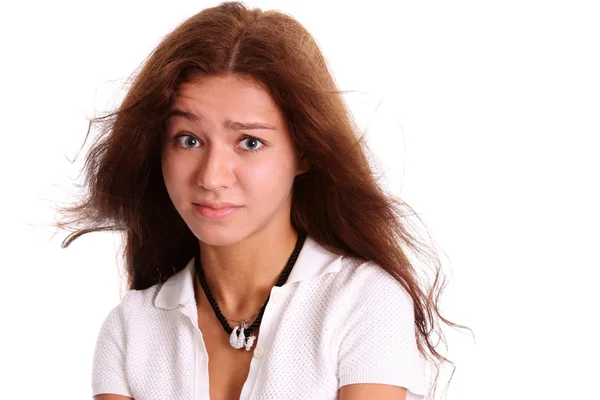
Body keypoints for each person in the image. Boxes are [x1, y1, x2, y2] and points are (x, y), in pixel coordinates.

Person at [56, 2, 468, 399]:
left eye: (250, 142)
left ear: (304, 152)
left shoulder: (363, 302)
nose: (212, 176)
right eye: (189, 139)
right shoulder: (132, 329)